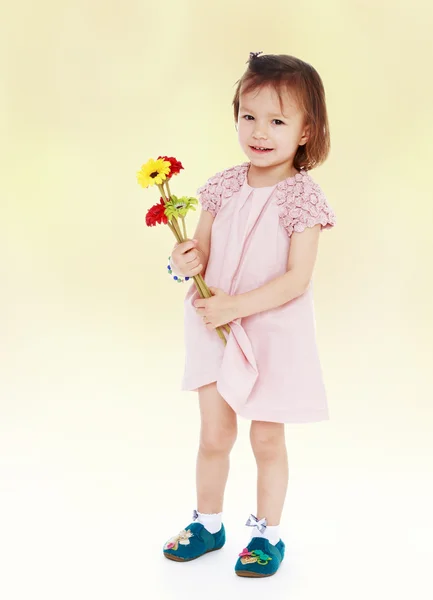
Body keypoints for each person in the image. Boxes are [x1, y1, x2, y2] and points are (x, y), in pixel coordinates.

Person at [162, 52, 336, 578]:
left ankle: (266, 532)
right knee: (214, 434)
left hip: (270, 331)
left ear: (307, 131)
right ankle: (208, 522)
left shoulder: (302, 197)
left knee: (266, 437)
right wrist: (180, 260)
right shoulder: (221, 187)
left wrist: (236, 306)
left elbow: (296, 279)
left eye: (278, 121)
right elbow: (200, 255)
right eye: (249, 116)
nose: (260, 132)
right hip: (214, 328)